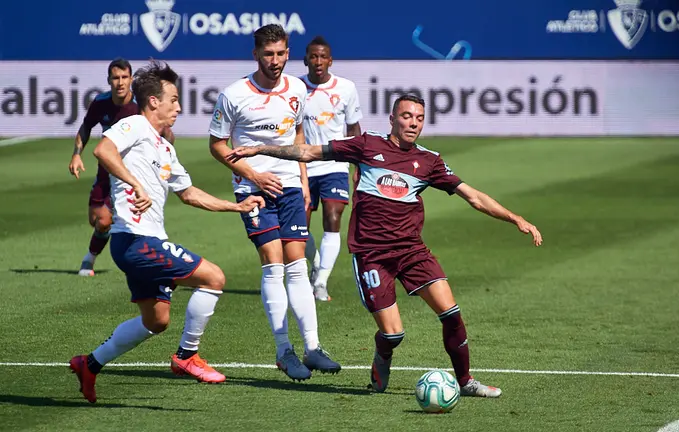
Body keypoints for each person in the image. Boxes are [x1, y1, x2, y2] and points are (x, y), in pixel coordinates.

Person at [225, 94, 543, 397]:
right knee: (393, 334)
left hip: (412, 252)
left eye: (419, 118)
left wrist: (515, 218)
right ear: (392, 118)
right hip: (372, 255)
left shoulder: (429, 161)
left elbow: (473, 196)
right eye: (406, 116)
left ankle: (465, 381)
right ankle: (382, 357)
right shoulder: (367, 145)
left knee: (451, 313)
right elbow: (307, 152)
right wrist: (259, 150)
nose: (413, 123)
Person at [69, 60, 265, 403]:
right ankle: (187, 356)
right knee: (214, 278)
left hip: (146, 242)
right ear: (153, 101)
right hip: (134, 239)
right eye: (173, 99)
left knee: (156, 321)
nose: (178, 106)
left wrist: (236, 206)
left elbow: (189, 194)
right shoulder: (133, 125)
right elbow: (103, 150)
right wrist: (134, 184)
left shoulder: (165, 147)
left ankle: (90, 364)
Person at [208, 24, 341, 382]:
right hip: (252, 190)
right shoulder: (234, 95)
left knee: (298, 265)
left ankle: (313, 348)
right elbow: (217, 144)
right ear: (255, 55)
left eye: (281, 53)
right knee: (274, 263)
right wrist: (253, 175)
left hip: (291, 189)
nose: (276, 61)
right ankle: (284, 350)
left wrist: (303, 179)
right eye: (269, 54)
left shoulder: (297, 88)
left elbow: (298, 135)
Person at [68, 57, 175, 277]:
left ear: (131, 79)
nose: (120, 82)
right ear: (109, 80)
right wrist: (77, 155)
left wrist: (164, 147)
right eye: (115, 78)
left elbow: (163, 132)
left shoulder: (138, 106)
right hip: (107, 168)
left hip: (132, 172)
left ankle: (90, 259)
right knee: (98, 222)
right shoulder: (101, 102)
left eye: (124, 77)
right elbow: (86, 127)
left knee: (108, 220)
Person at [299, 35, 362, 302]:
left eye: (323, 56)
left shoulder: (346, 88)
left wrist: (360, 163)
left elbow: (354, 128)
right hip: (302, 165)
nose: (318, 61)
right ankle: (316, 264)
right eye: (313, 56)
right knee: (300, 227)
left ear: (330, 60)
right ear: (305, 60)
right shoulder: (295, 88)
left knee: (333, 218)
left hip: (334, 163)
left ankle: (322, 282)